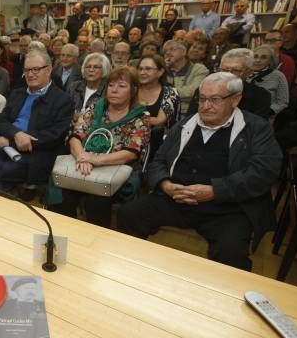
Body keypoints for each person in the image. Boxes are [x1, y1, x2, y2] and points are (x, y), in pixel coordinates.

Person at [117, 72, 282, 271]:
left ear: (235, 99)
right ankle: (133, 272)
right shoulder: (185, 124)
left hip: (226, 208)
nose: (205, 106)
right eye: (202, 99)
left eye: (215, 99)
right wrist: (165, 185)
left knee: (231, 252)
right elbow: (158, 161)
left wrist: (215, 190)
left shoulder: (256, 128)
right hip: (176, 198)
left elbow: (264, 171)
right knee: (128, 214)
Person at [48, 66, 150, 228]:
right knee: (61, 194)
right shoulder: (96, 107)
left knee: (97, 200)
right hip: (82, 164)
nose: (114, 90)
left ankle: (95, 245)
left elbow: (130, 153)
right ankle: (63, 236)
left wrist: (94, 159)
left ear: (133, 90)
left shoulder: (140, 116)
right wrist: (83, 156)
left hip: (114, 171)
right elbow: (76, 136)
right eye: (111, 85)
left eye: (122, 86)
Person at [0, 49, 72, 189]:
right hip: (6, 145)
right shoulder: (17, 94)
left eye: (36, 69)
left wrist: (12, 141)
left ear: (49, 70)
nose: (30, 74)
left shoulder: (62, 100)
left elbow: (54, 136)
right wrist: (16, 134)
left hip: (35, 155)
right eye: (27, 70)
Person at [186, 48, 272, 119]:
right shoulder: (204, 90)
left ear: (249, 72)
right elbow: (191, 119)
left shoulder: (261, 96)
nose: (228, 74)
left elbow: (256, 129)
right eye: (224, 70)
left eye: (236, 70)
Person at [137, 54, 180, 160]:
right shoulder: (132, 90)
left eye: (148, 69)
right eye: (140, 69)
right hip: (129, 142)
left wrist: (130, 120)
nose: (142, 72)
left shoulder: (170, 92)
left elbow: (159, 121)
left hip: (159, 146)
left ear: (160, 72)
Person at [163, 39, 209, 114]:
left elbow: (192, 93)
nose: (168, 53)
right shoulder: (162, 70)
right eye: (165, 51)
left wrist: (165, 93)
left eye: (172, 49)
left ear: (184, 52)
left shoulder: (199, 69)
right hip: (164, 113)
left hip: (186, 114)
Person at [250, 45, 289, 116]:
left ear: (270, 61)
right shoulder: (244, 72)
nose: (258, 60)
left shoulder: (278, 76)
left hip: (264, 117)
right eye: (255, 56)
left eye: (263, 57)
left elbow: (283, 102)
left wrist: (268, 112)